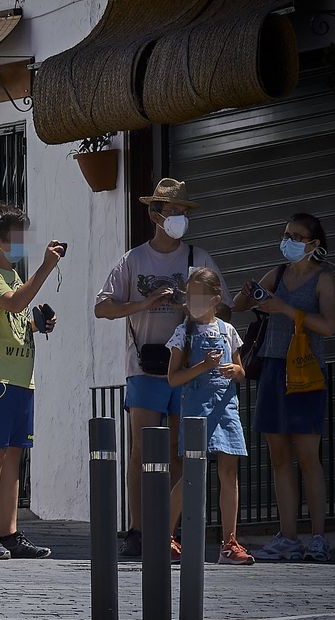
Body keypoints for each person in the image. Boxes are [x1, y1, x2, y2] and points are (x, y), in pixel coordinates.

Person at [94, 178, 227, 559]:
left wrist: (193, 305)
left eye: (184, 212)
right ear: (156, 215)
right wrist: (144, 303)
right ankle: (137, 528)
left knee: (178, 450)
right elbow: (103, 307)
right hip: (144, 366)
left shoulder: (197, 258)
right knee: (141, 447)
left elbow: (226, 305)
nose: (180, 217)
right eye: (173, 212)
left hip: (187, 366)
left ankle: (168, 527)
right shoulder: (133, 260)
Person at [233, 213, 335, 562]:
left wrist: (285, 308)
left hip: (306, 371)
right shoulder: (276, 275)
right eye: (286, 234)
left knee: (308, 456)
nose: (289, 240)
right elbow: (238, 306)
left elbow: (328, 326)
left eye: (297, 235)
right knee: (279, 456)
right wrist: (249, 295)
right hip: (272, 368)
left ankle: (319, 537)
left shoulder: (323, 279)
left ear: (313, 244)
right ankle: (288, 536)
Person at [0, 203, 58, 561]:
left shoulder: (15, 276)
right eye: (16, 238)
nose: (22, 244)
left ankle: (10, 532)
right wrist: (47, 268)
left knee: (14, 454)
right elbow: (16, 302)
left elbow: (17, 317)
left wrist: (39, 326)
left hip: (21, 379)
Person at [167, 268, 252, 564]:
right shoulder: (183, 333)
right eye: (190, 296)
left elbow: (242, 371)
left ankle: (230, 542)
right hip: (197, 408)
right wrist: (202, 366)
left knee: (229, 472)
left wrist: (236, 371)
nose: (194, 301)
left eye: (201, 296)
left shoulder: (229, 331)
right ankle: (166, 535)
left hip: (225, 407)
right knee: (192, 472)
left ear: (216, 299)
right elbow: (173, 378)